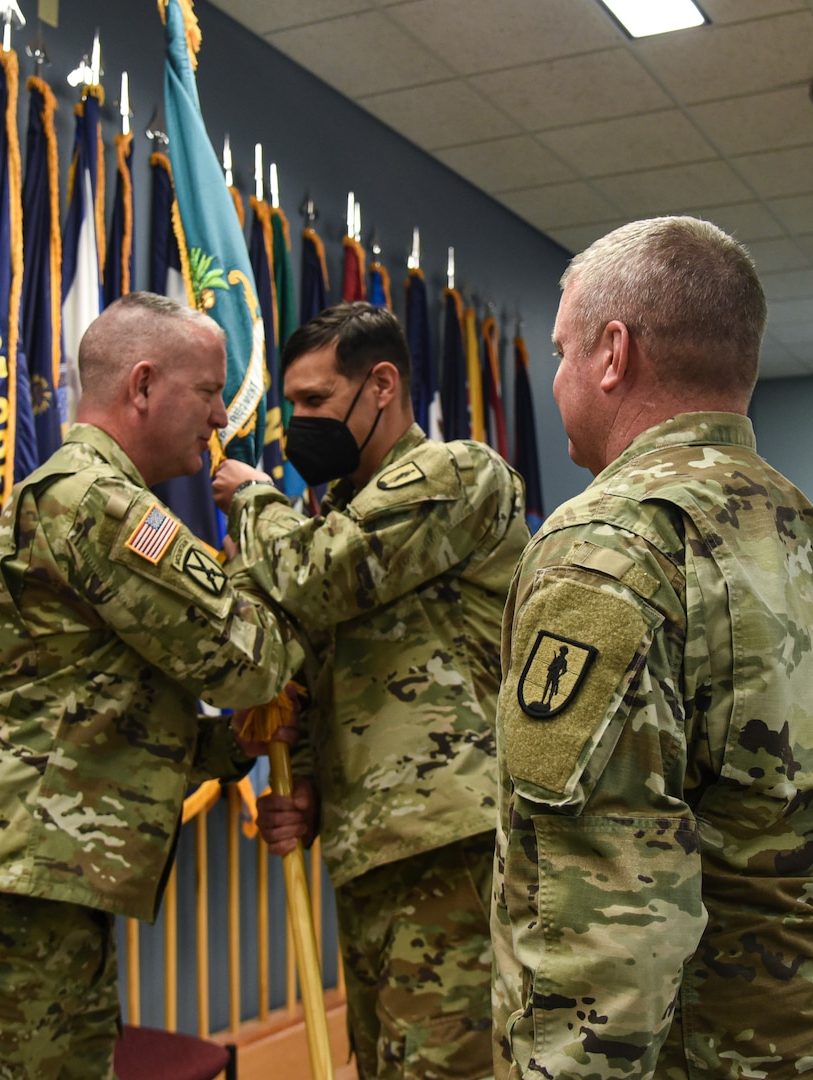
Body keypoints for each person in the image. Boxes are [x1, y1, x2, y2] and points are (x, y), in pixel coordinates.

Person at [491, 217, 813, 1079]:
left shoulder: (613, 546)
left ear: (613, 354)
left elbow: (597, 913)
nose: (557, 377)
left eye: (561, 351)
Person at [0, 292, 305, 1079]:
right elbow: (248, 658)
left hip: (36, 869)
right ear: (142, 385)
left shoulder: (99, 499)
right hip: (10, 876)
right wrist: (274, 535)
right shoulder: (99, 503)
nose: (222, 413)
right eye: (207, 392)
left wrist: (232, 744)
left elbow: (105, 712)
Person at [212, 303, 530, 1079]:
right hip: (374, 841)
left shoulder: (456, 474)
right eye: (293, 406)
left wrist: (255, 501)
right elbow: (331, 667)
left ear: (380, 385)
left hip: (451, 840)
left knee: (448, 1066)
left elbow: (319, 582)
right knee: (387, 1060)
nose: (300, 424)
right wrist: (315, 787)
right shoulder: (337, 512)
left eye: (316, 402)